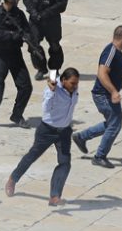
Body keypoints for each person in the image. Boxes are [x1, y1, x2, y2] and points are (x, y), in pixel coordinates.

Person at [5, 68, 80, 206]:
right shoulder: (52, 90)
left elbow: (53, 68)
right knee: (32, 156)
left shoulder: (71, 90)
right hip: (47, 130)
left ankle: (55, 196)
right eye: (72, 83)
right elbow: (46, 109)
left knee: (65, 163)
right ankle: (13, 179)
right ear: (63, 81)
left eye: (76, 84)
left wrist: (52, 75)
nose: (75, 87)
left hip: (64, 131)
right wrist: (51, 91)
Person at [73, 25, 122, 169]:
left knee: (112, 123)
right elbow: (102, 73)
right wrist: (113, 92)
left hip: (106, 93)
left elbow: (113, 73)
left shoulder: (117, 52)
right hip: (103, 95)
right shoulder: (111, 51)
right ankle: (99, 156)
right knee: (115, 124)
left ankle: (81, 137)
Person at [0, 0, 33, 129]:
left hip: (15, 54)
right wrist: (12, 35)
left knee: (26, 87)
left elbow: (27, 31)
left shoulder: (19, 14)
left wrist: (30, 41)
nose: (18, 0)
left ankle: (17, 115)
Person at [24, 0, 68, 80]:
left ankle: (54, 70)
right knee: (33, 45)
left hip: (51, 20)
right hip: (35, 19)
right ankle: (41, 68)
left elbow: (62, 3)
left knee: (54, 45)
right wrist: (33, 12)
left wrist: (46, 13)